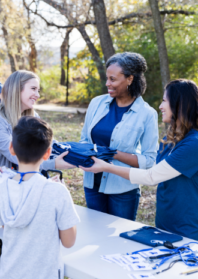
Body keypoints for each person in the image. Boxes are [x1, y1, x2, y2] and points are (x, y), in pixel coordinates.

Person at [80, 79, 198, 240]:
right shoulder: (172, 138)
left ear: (180, 104)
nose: (161, 106)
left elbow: (151, 176)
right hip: (166, 221)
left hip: (188, 226)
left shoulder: (194, 144)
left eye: (164, 101)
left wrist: (106, 167)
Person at [0, 116, 80, 279]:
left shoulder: (2, 188)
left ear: (11, 148)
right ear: (48, 153)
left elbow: (8, 228)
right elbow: (69, 241)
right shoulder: (57, 192)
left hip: (10, 274)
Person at [80, 52, 158, 221]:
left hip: (122, 190)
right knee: (95, 236)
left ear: (130, 79)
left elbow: (149, 160)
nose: (107, 83)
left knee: (121, 242)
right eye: (107, 78)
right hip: (92, 184)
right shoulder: (96, 103)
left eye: (113, 79)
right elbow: (85, 139)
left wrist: (110, 153)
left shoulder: (147, 114)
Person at [0, 70, 74, 170]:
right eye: (33, 89)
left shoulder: (32, 116)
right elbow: (17, 156)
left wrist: (74, 155)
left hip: (26, 180)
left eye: (38, 90)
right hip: (0, 183)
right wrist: (53, 164)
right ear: (16, 89)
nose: (37, 95)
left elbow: (48, 144)